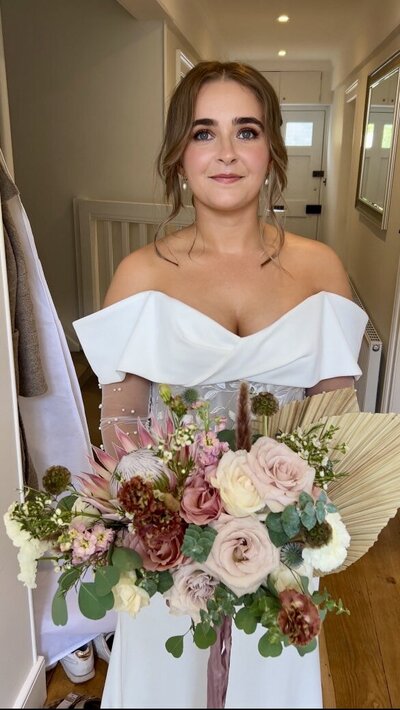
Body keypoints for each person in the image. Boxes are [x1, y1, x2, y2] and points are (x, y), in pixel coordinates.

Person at [73, 61, 368, 709]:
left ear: (273, 151)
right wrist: (168, 539)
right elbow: (121, 444)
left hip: (282, 562)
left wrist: (288, 530)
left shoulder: (320, 271)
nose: (227, 153)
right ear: (179, 154)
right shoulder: (139, 276)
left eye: (247, 131)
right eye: (205, 133)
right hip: (169, 573)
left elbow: (337, 442)